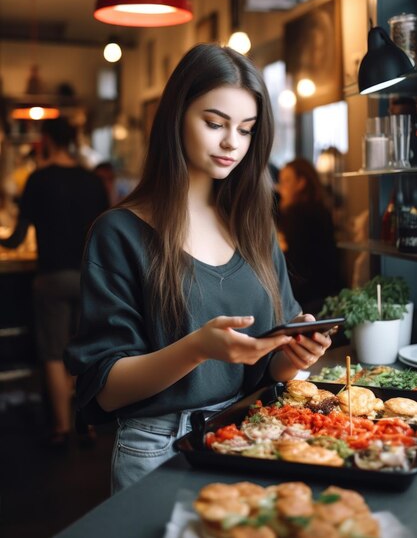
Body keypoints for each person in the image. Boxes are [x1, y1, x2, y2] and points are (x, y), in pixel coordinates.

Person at [64, 43, 332, 493]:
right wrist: (198, 348)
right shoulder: (119, 232)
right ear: (176, 118)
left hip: (251, 434)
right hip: (159, 448)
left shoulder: (254, 225)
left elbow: (271, 368)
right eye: (214, 124)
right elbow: (106, 388)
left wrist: (291, 356)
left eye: (246, 130)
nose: (232, 143)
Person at [0, 117, 109, 447]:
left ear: (46, 140)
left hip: (51, 277)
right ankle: (86, 424)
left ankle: (61, 427)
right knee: (84, 350)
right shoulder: (92, 181)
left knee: (52, 352)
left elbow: (18, 237)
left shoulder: (38, 179)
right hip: (89, 277)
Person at [276, 157, 342, 315]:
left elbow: (295, 263)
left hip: (308, 298)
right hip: (327, 292)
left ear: (301, 183)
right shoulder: (320, 210)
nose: (280, 187)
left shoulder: (297, 214)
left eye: (286, 181)